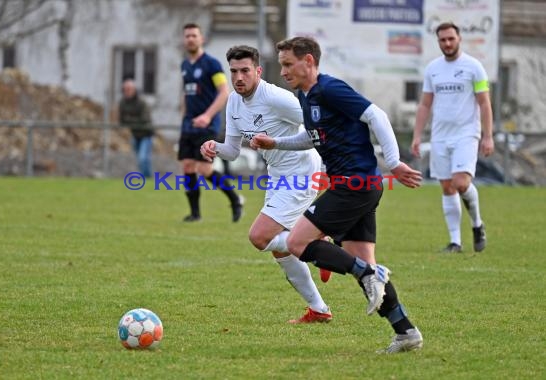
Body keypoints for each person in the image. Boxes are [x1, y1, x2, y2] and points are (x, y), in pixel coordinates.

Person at [251, 36, 424, 353]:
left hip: (353, 185)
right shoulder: (306, 96)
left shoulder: (330, 89)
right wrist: (276, 143)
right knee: (362, 263)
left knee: (296, 242)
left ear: (309, 62)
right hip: (359, 187)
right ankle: (405, 332)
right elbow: (311, 137)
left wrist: (395, 161)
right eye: (282, 65)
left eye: (289, 64)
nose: (284, 71)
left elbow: (377, 116)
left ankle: (369, 274)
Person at [200, 45, 333, 323]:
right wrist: (215, 147)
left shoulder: (275, 97)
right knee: (278, 247)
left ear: (258, 71)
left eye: (245, 71)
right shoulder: (234, 102)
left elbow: (318, 127)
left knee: (259, 236)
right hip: (277, 174)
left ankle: (318, 240)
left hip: (301, 172)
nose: (238, 77)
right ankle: (319, 309)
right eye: (234, 71)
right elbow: (233, 151)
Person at [411, 22, 494, 253]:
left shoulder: (474, 67)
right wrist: (417, 136)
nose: (447, 43)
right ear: (438, 42)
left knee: (461, 183)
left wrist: (488, 136)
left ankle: (477, 224)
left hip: (467, 134)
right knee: (447, 188)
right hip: (439, 136)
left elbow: (484, 103)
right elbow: (425, 104)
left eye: (451, 39)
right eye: (443, 40)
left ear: (459, 39)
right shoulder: (433, 69)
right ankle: (455, 242)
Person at [179, 23, 243, 222]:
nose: (190, 39)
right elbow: (186, 93)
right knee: (188, 167)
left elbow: (224, 92)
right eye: (187, 36)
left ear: (201, 39)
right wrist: (184, 115)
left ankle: (235, 199)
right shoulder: (184, 65)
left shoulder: (212, 64)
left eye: (194, 35)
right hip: (188, 124)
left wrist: (207, 116)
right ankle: (195, 214)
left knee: (204, 169)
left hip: (207, 125)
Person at [119, 79, 153, 178]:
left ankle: (147, 178)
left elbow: (145, 119)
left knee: (143, 158)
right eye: (125, 89)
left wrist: (130, 120)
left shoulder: (141, 102)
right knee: (140, 159)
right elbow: (122, 121)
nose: (127, 92)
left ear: (134, 90)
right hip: (135, 135)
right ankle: (146, 178)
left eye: (129, 89)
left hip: (146, 134)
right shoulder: (123, 103)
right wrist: (132, 120)